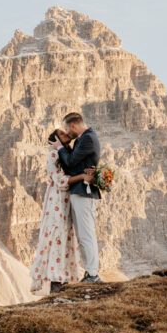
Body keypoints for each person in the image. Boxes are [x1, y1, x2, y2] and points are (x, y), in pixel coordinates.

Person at [28, 128, 87, 294]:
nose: (66, 134)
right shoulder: (54, 155)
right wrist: (82, 177)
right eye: (61, 134)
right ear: (55, 141)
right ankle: (56, 283)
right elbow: (60, 181)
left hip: (65, 201)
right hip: (57, 202)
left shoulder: (67, 153)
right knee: (57, 237)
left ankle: (63, 279)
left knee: (65, 237)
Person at [56, 111, 102, 283]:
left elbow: (71, 162)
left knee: (86, 234)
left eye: (67, 129)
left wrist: (59, 147)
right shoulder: (83, 139)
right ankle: (90, 272)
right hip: (79, 190)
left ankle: (92, 273)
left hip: (84, 191)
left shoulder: (88, 138)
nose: (67, 133)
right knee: (83, 234)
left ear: (73, 126)